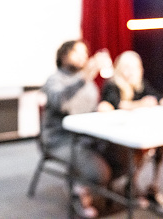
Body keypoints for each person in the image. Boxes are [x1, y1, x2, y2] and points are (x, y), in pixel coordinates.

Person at [98, 50, 163, 217]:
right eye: (126, 67)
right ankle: (133, 184)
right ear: (119, 68)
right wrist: (141, 104)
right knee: (143, 148)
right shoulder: (112, 85)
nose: (130, 71)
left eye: (134, 67)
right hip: (114, 140)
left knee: (159, 142)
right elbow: (117, 104)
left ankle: (151, 186)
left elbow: (155, 96)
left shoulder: (139, 84)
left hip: (135, 134)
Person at [41, 40, 116, 218]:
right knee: (100, 173)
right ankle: (78, 191)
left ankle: (84, 184)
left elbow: (89, 109)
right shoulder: (55, 79)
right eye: (77, 52)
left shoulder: (89, 82)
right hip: (60, 140)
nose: (83, 56)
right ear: (63, 55)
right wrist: (83, 78)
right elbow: (61, 103)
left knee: (122, 157)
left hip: (88, 137)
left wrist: (102, 106)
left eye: (85, 53)